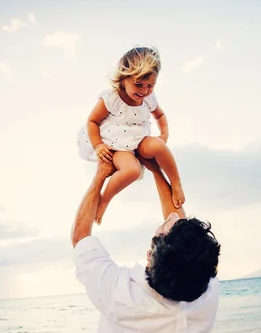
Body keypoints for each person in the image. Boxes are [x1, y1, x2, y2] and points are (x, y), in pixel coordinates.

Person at [71, 155, 221, 333]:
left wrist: (101, 174)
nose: (170, 215)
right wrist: (156, 169)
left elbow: (80, 236)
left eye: (163, 227)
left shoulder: (119, 294)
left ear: (149, 256)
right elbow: (182, 239)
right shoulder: (208, 294)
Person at [77, 46, 185, 224]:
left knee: (159, 146)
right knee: (132, 171)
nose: (144, 91)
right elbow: (92, 121)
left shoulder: (149, 98)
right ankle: (104, 200)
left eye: (150, 85)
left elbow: (160, 115)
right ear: (123, 79)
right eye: (138, 84)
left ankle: (176, 182)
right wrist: (98, 145)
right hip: (117, 145)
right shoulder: (112, 99)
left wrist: (164, 134)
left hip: (139, 139)